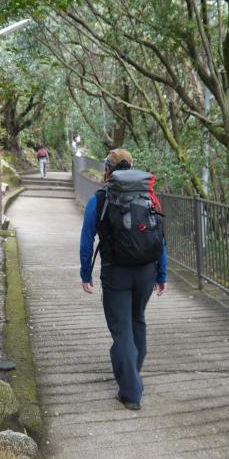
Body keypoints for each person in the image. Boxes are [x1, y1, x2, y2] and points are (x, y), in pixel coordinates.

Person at [79, 149, 167, 411]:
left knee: (121, 330)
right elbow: (160, 237)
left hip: (116, 273)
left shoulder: (99, 199)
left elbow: (87, 239)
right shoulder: (149, 196)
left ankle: (131, 392)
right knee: (137, 319)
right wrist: (161, 273)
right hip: (146, 271)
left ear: (108, 169)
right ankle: (132, 375)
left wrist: (85, 273)